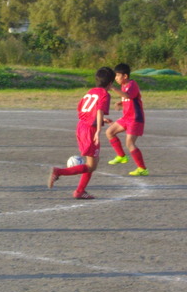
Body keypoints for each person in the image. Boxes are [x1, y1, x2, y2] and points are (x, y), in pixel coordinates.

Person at [48, 67, 115, 199]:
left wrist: (101, 120)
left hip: (81, 127)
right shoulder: (105, 94)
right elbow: (100, 110)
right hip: (90, 130)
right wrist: (98, 131)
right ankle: (59, 172)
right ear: (110, 83)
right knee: (91, 165)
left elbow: (82, 109)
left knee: (93, 162)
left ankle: (80, 191)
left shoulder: (90, 92)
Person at [106, 63, 148, 176]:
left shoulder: (132, 84)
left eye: (117, 76)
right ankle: (121, 156)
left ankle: (142, 168)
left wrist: (113, 88)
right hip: (126, 118)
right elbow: (128, 98)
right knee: (110, 132)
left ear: (125, 76)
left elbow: (129, 96)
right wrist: (121, 102)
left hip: (135, 119)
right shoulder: (124, 86)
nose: (115, 78)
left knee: (130, 143)